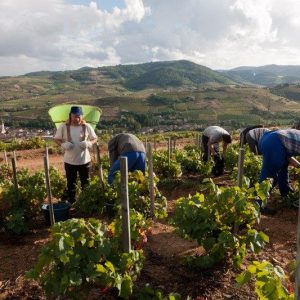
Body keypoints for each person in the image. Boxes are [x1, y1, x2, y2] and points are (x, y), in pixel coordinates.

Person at [54, 106, 98, 203]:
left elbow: (95, 138)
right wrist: (63, 144)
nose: (76, 119)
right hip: (69, 161)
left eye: (79, 117)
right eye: (74, 116)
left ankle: (86, 202)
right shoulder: (63, 126)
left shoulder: (87, 126)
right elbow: (56, 139)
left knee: (86, 183)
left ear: (82, 117)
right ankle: (72, 202)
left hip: (85, 161)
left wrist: (89, 143)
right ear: (70, 116)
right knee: (71, 184)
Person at [258, 129, 300, 213]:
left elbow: (288, 156)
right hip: (275, 142)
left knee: (283, 167)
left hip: (271, 138)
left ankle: (286, 193)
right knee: (270, 176)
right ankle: (259, 205)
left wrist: (299, 165)